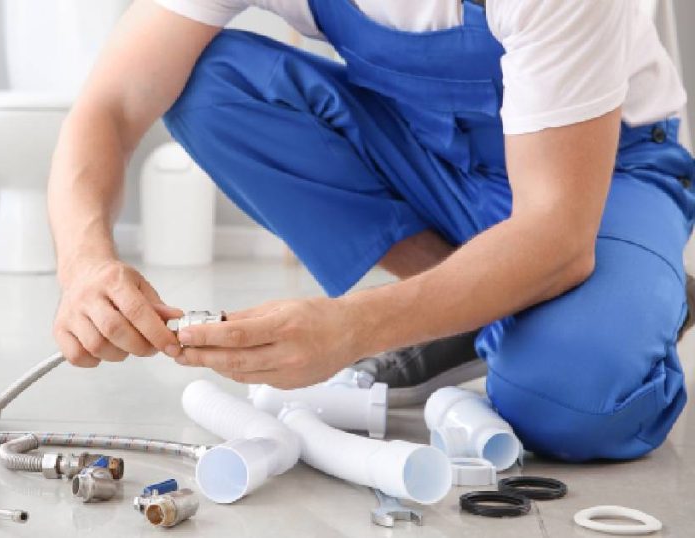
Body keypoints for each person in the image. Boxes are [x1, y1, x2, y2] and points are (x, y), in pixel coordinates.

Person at [47, 0, 695, 462]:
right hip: (430, 148)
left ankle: (619, 294)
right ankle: (492, 304)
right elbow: (110, 103)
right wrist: (84, 266)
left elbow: (554, 230)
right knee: (209, 82)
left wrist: (354, 327)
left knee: (570, 405)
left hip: (601, 175)